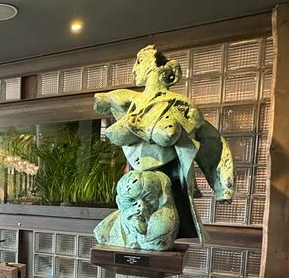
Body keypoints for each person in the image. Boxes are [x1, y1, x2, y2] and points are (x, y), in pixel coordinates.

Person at [93, 45, 233, 242]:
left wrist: (223, 188)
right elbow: (102, 104)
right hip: (133, 182)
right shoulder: (131, 101)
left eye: (139, 62)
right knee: (123, 233)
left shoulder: (180, 105)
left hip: (165, 183)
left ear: (154, 66)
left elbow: (213, 145)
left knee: (158, 234)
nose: (134, 69)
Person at [94, 170, 179, 251]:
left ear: (160, 199)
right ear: (119, 202)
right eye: (131, 200)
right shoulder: (103, 232)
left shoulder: (162, 228)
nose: (142, 208)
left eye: (149, 199)